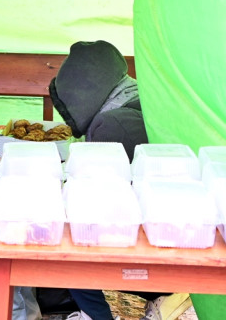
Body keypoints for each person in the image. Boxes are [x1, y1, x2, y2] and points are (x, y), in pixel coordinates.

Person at [49, 39, 160, 320]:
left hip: (151, 255)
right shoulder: (143, 99)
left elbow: (102, 208)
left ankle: (96, 316)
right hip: (171, 234)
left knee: (68, 249)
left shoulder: (112, 125)